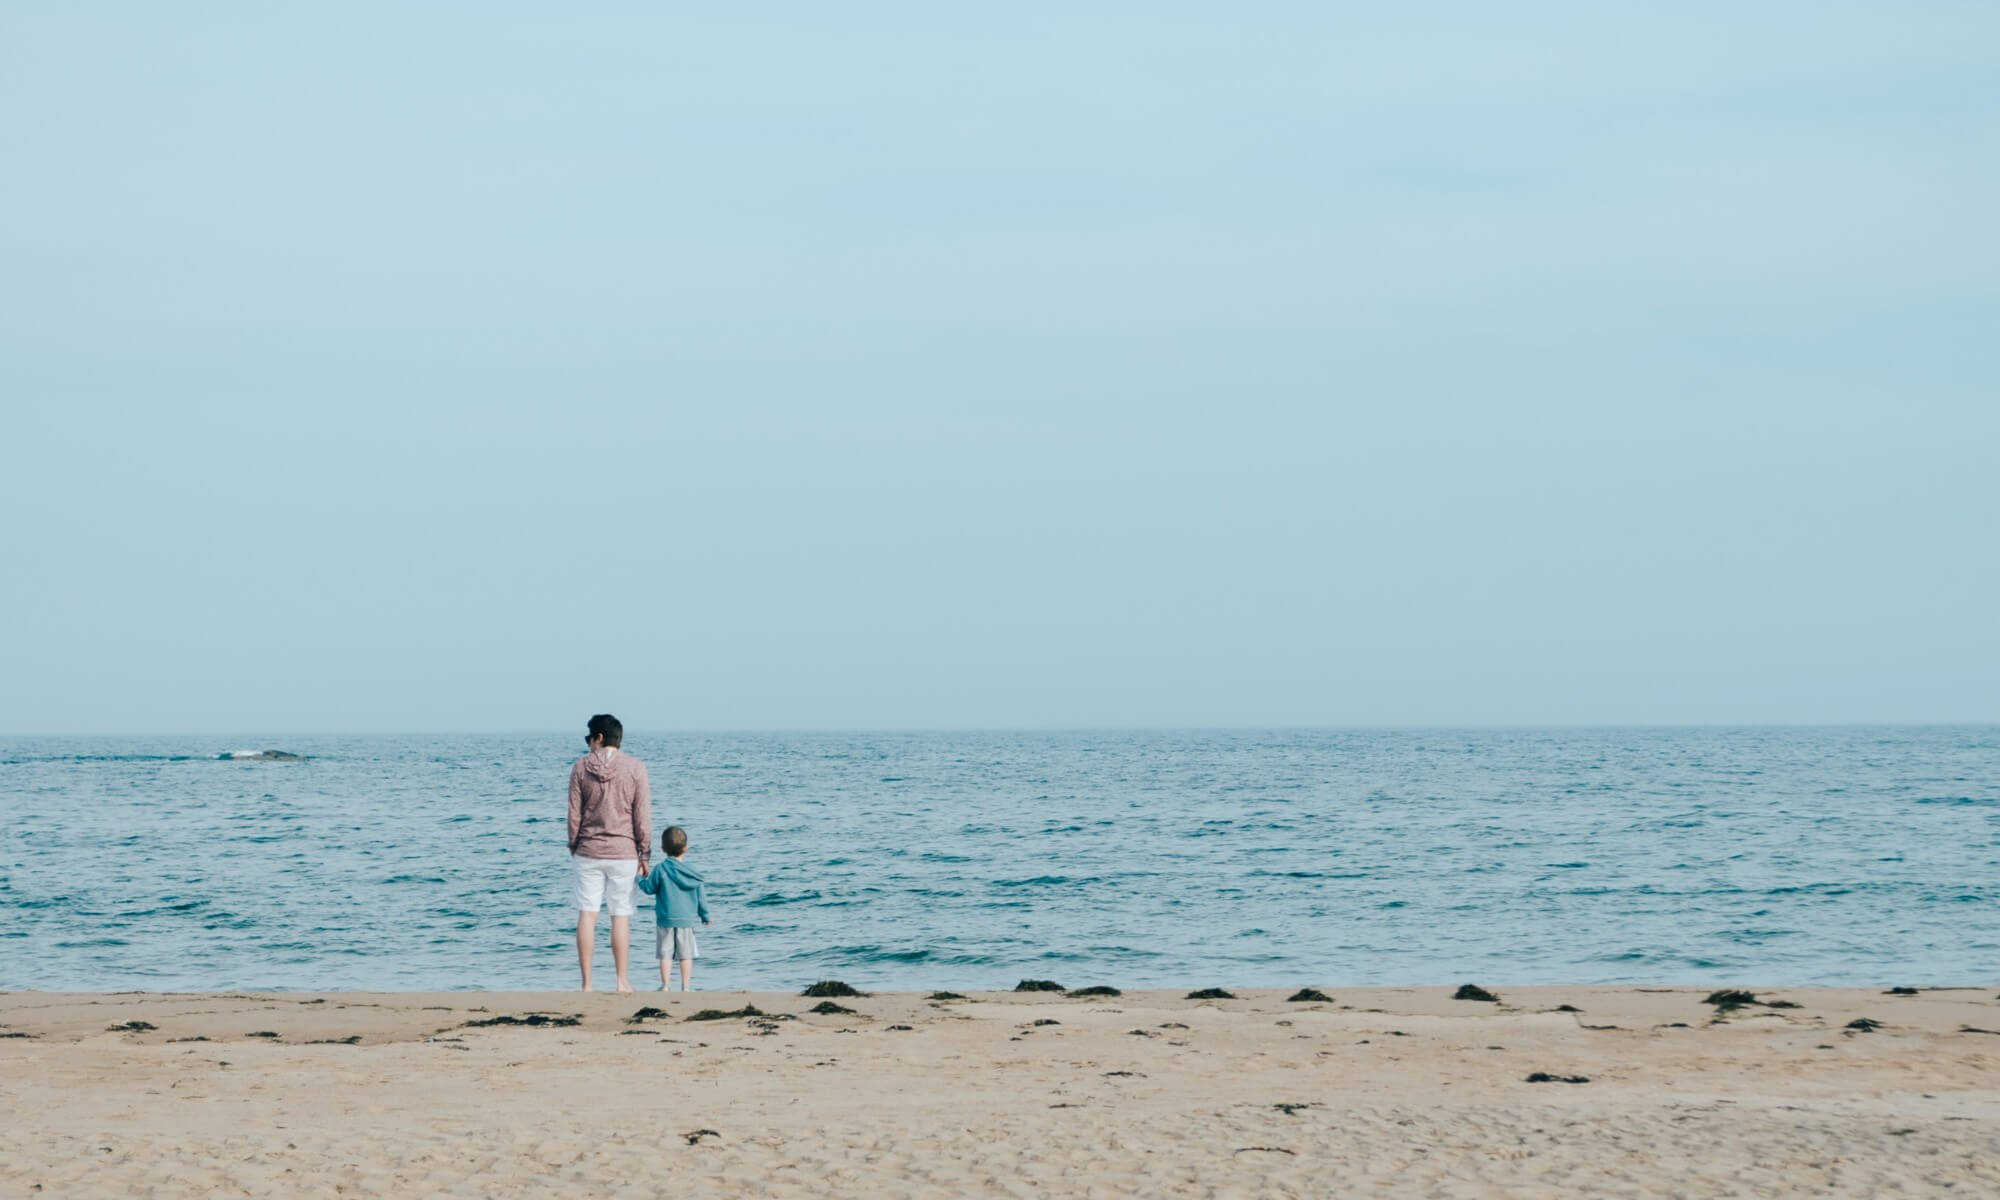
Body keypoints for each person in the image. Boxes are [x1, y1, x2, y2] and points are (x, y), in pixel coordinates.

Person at [567, 714, 651, 992]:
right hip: (624, 852)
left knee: (587, 915)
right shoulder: (636, 768)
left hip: (588, 851)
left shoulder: (579, 768)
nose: (588, 743)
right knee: (620, 916)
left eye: (589, 737)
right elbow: (642, 816)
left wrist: (573, 845)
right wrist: (645, 854)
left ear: (599, 738)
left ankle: (587, 983)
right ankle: (621, 980)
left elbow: (573, 815)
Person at [634, 825, 710, 992]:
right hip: (686, 920)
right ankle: (686, 986)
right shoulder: (693, 872)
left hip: (665, 919)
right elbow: (700, 897)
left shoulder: (661, 869)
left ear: (663, 849)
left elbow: (648, 888)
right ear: (686, 848)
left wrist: (638, 878)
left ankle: (666, 985)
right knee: (686, 955)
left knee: (665, 954)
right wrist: (705, 915)